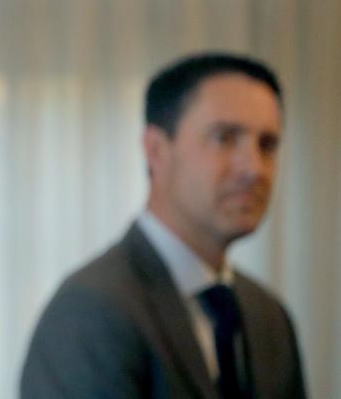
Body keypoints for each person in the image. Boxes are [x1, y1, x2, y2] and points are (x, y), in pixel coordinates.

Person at [20, 53, 306, 398]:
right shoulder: (88, 312)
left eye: (268, 145)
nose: (255, 169)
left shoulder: (271, 318)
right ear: (156, 150)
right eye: (225, 138)